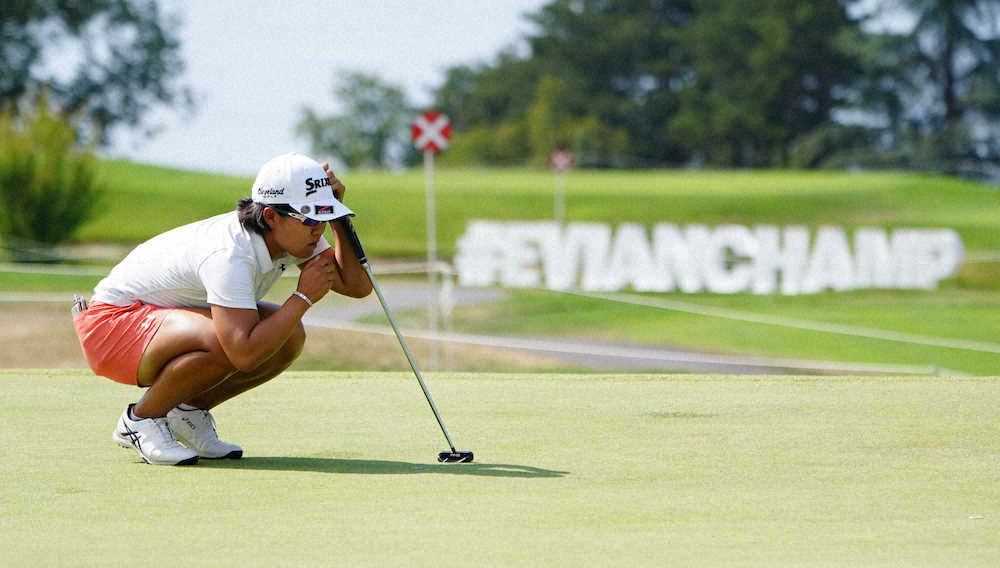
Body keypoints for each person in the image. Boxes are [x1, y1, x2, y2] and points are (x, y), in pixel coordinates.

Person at [73, 152, 372, 466]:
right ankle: (140, 420)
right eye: (311, 217)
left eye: (324, 216)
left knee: (288, 336)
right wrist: (302, 298)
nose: (318, 229)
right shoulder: (231, 253)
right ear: (271, 216)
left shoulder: (294, 237)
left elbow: (357, 286)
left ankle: (186, 413)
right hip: (111, 325)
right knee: (225, 339)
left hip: (154, 322)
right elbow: (242, 352)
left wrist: (338, 218)